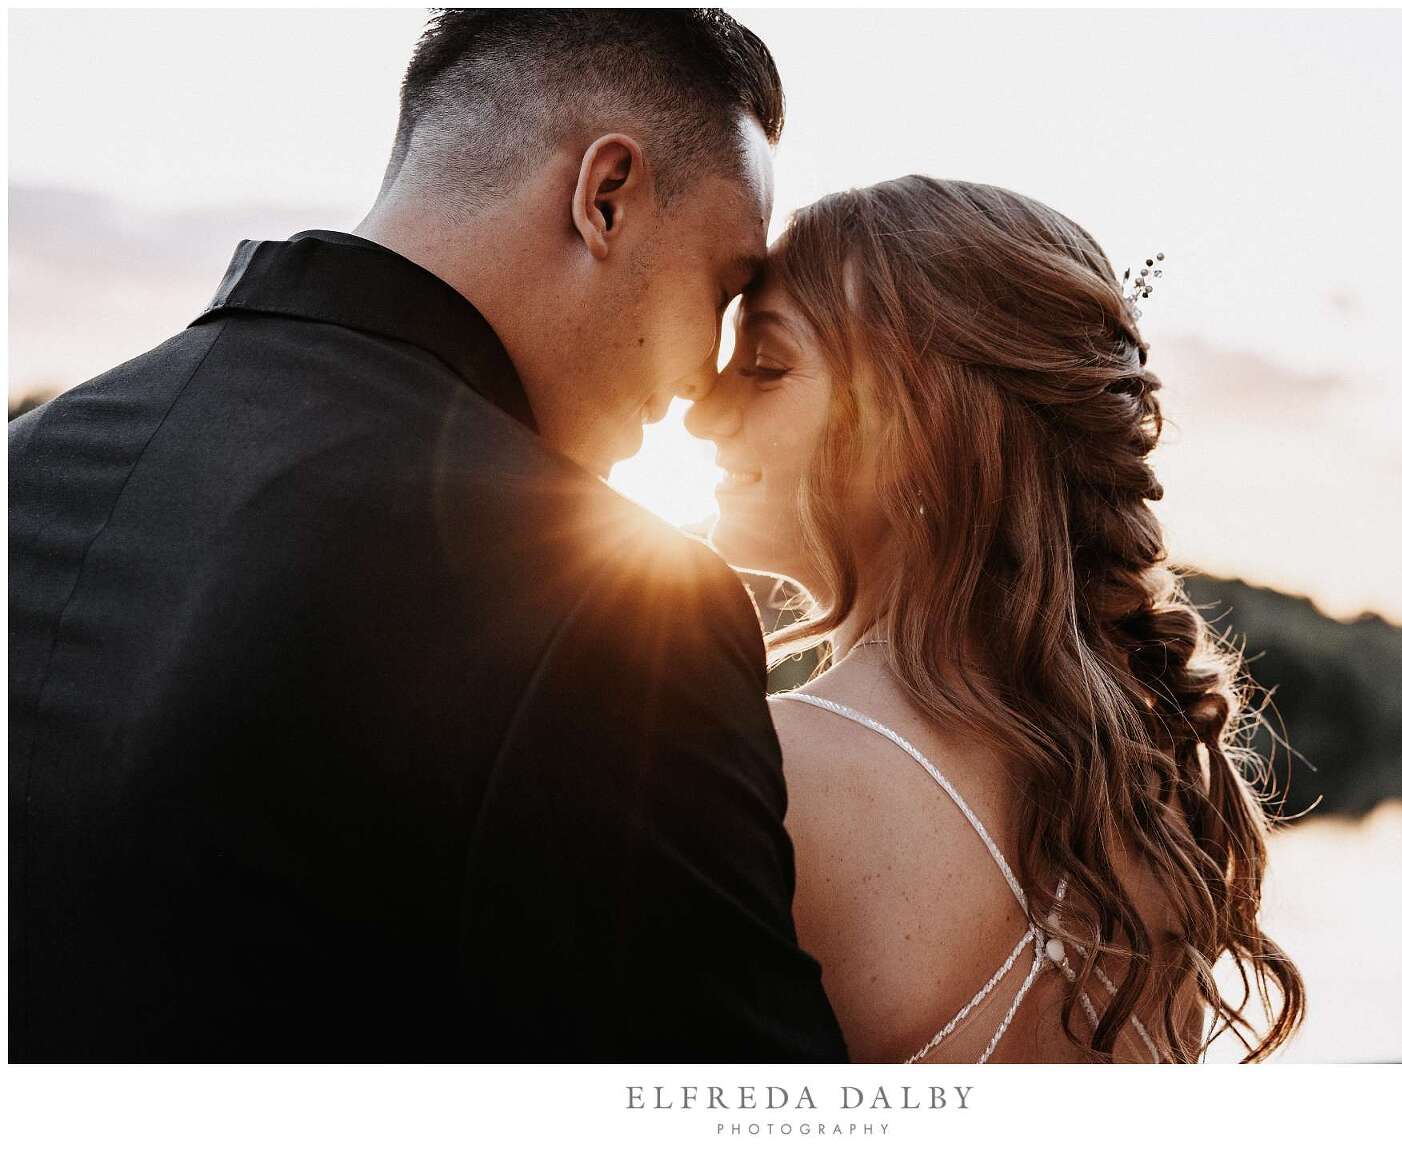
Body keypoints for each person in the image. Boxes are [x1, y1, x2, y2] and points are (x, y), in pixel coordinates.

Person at [9, 9, 846, 1061]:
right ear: (606, 197)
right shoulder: (617, 605)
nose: (701, 379)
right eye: (723, 287)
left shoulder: (28, 467)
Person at [688, 176, 1306, 1062]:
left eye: (766, 366)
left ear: (920, 429)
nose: (703, 412)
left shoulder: (771, 773)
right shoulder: (1157, 781)